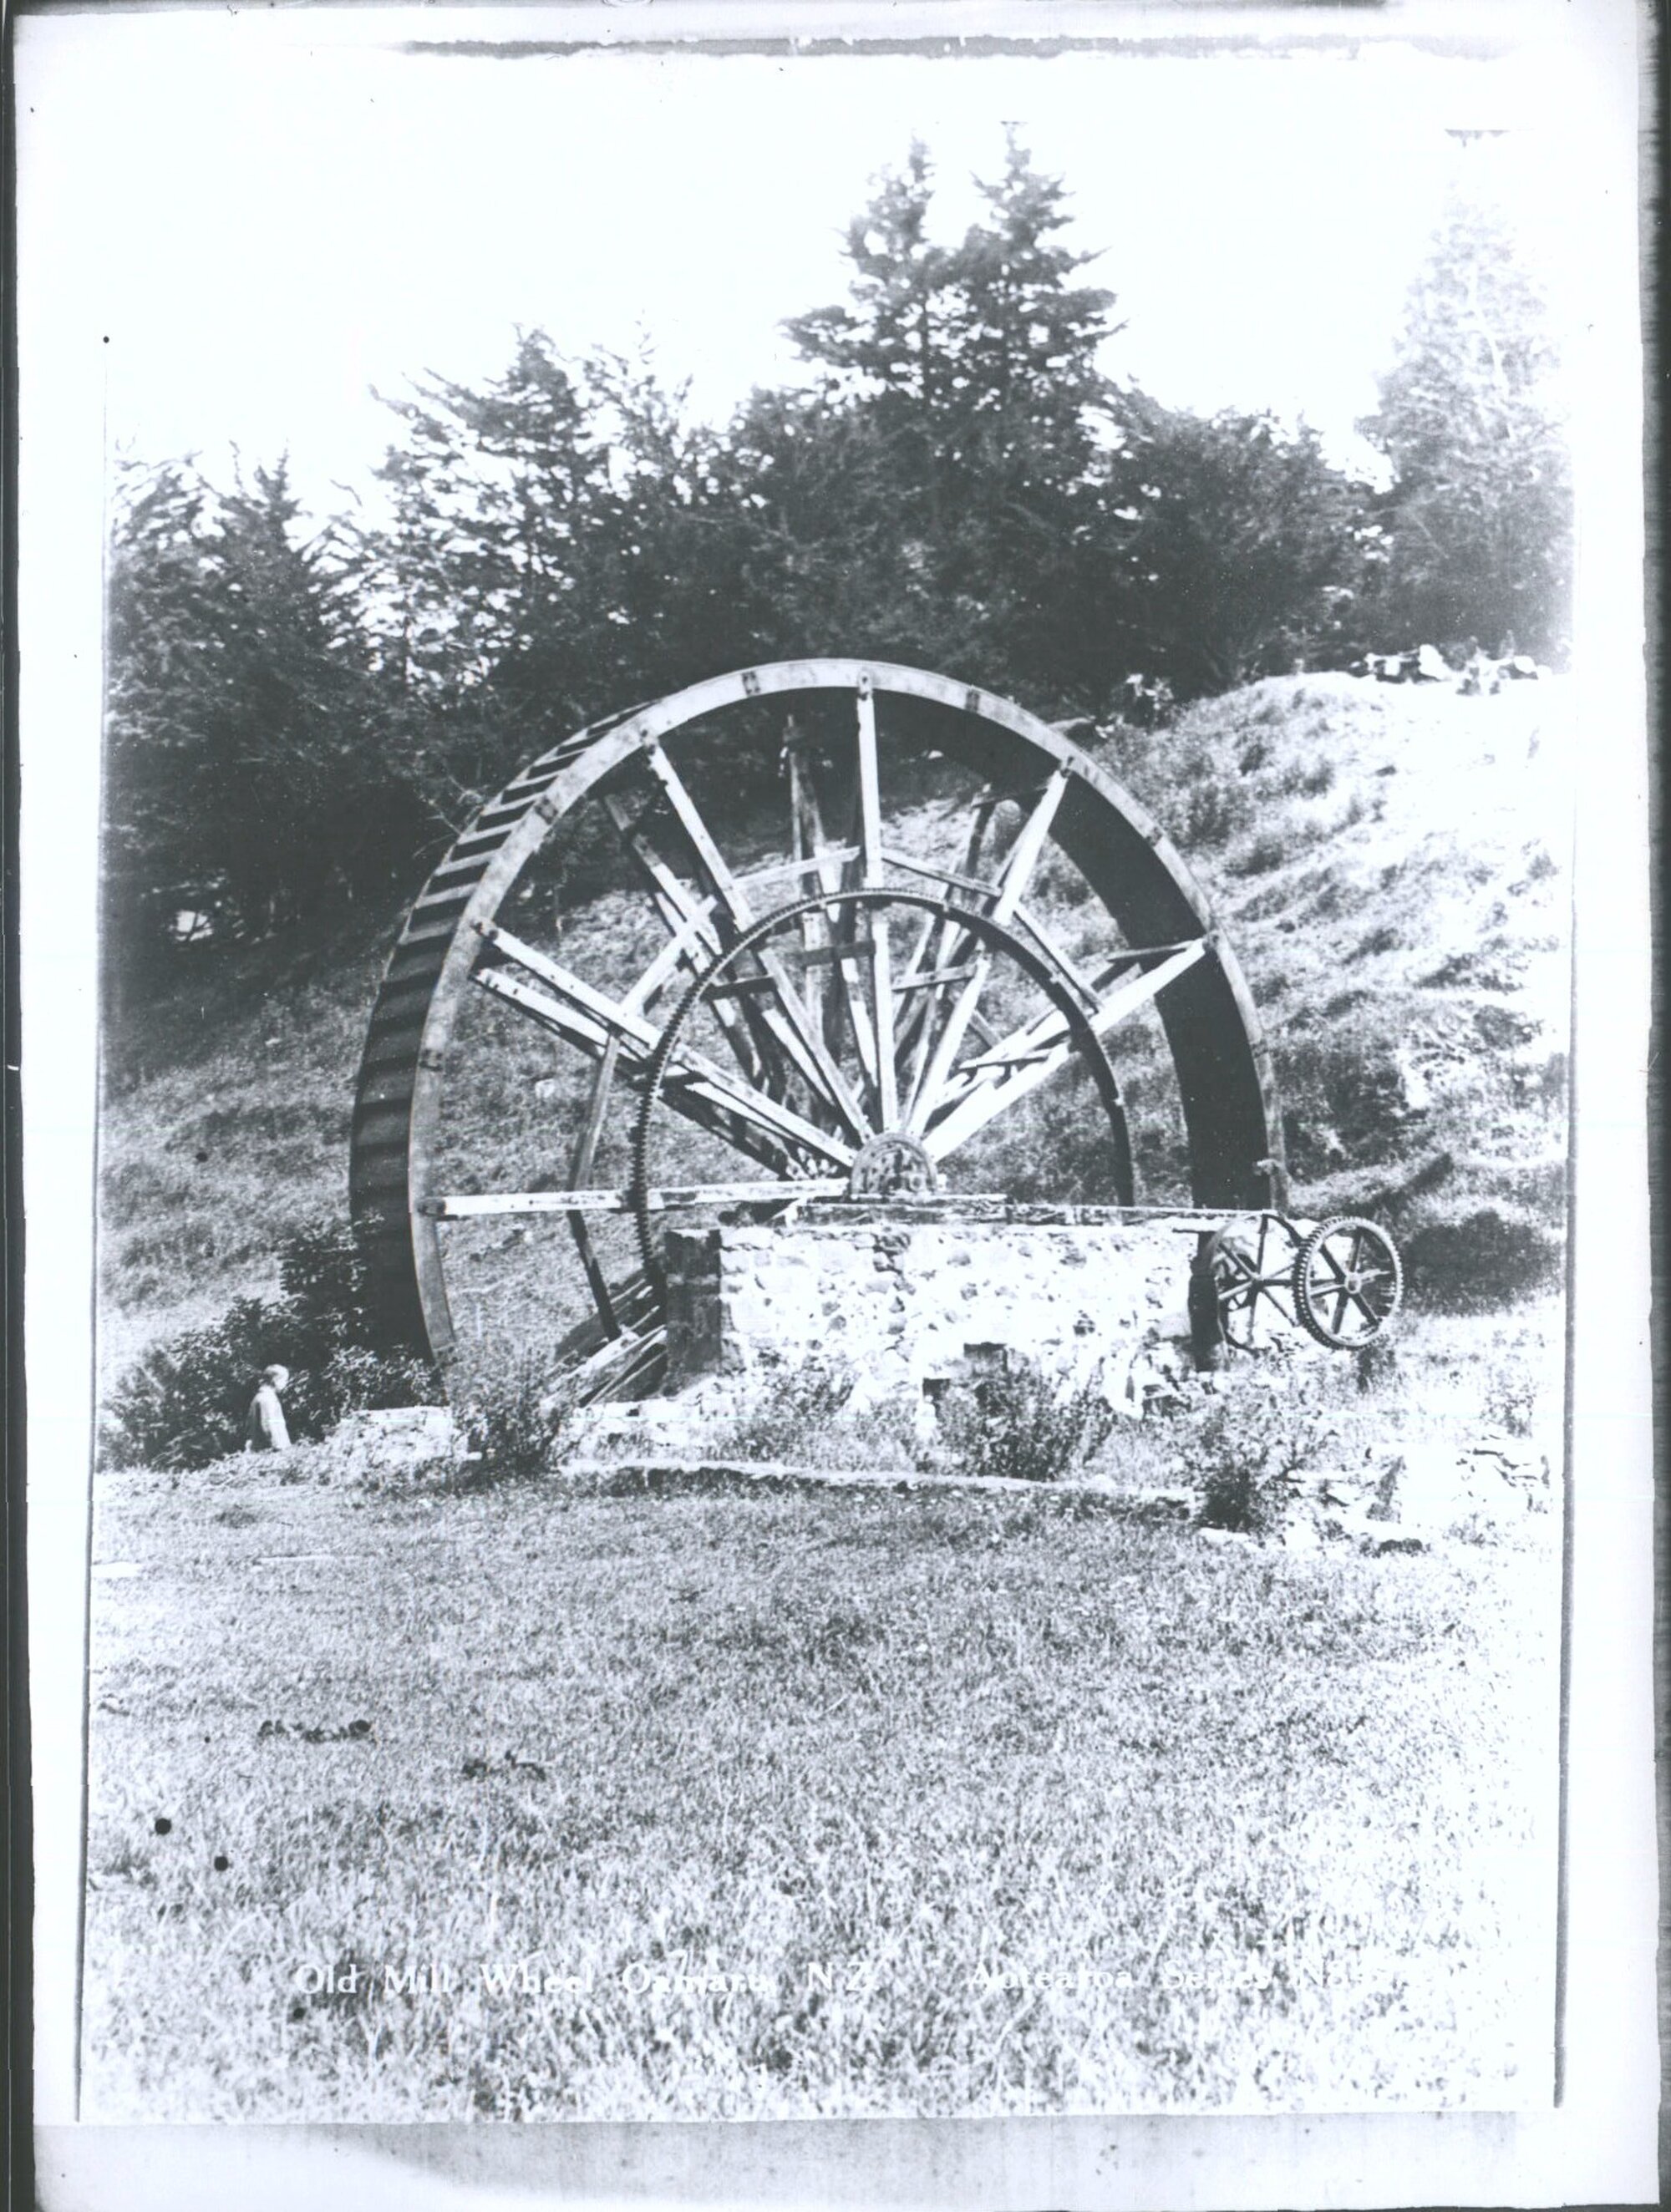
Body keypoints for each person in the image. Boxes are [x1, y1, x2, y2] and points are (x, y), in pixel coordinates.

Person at [245, 1364, 292, 1454]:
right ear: (275, 1380)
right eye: (284, 1380)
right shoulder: (267, 1399)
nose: (286, 1383)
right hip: (271, 1453)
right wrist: (279, 1448)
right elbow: (269, 1425)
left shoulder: (260, 1397)